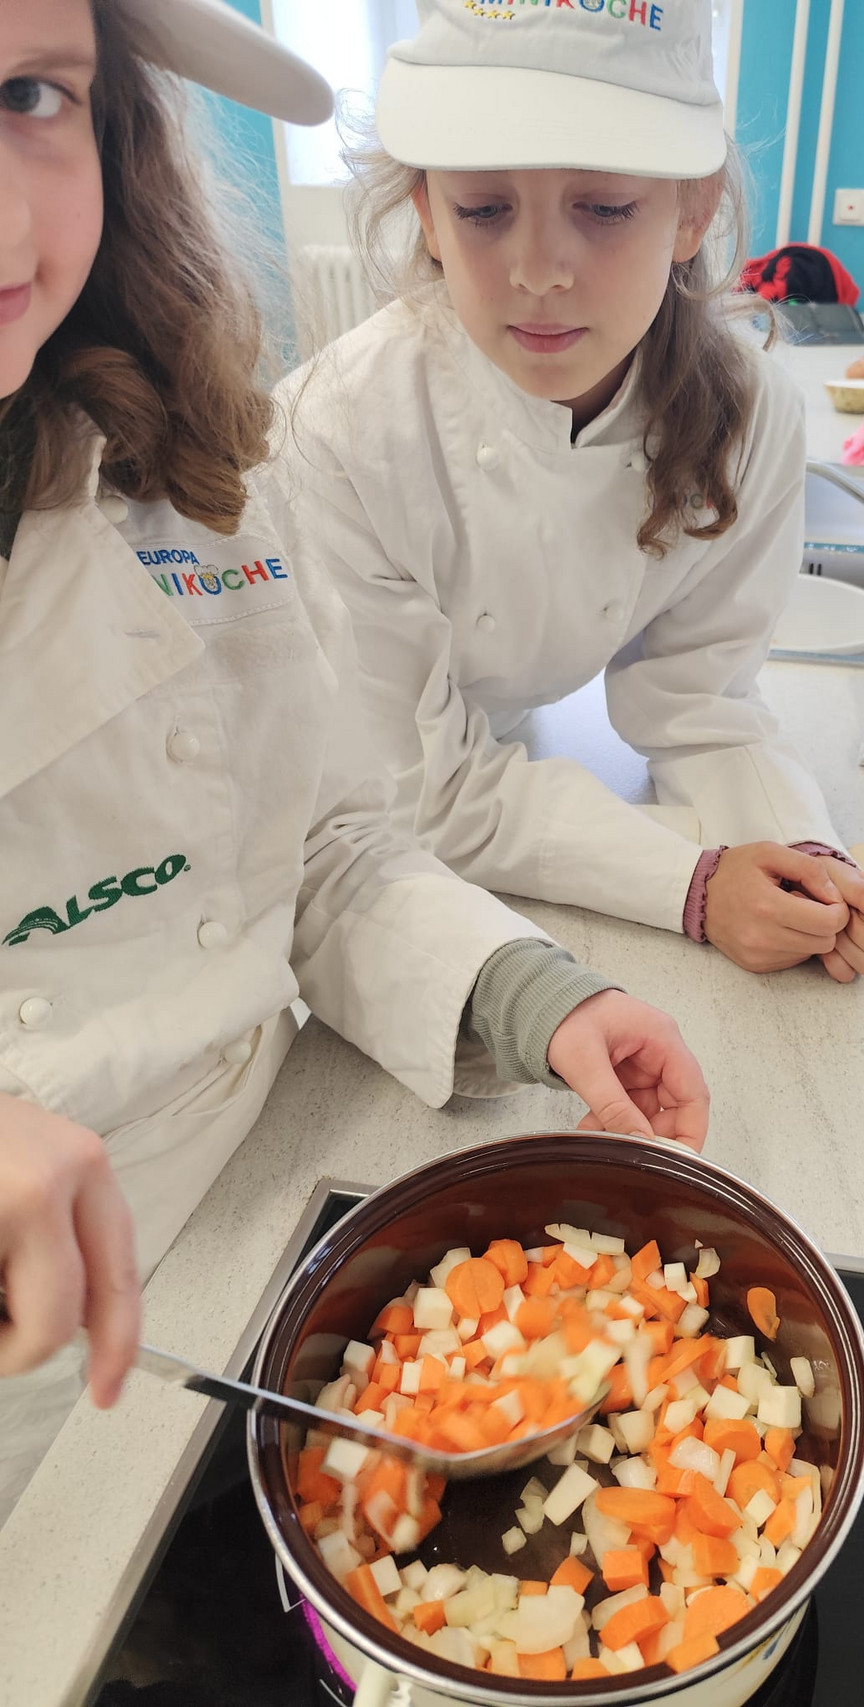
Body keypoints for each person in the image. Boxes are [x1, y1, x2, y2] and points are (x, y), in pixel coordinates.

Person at [0, 0, 708, 1525]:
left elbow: (303, 831)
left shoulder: (175, 460)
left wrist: (532, 994)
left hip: (249, 1207)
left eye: (27, 95)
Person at [274, 0, 864, 985]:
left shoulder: (749, 416)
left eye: (604, 208)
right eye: (484, 210)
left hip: (484, 772)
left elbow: (699, 699)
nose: (537, 273)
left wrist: (797, 857)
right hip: (320, 828)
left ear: (691, 210)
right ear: (428, 213)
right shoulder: (340, 430)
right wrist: (693, 883)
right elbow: (416, 787)